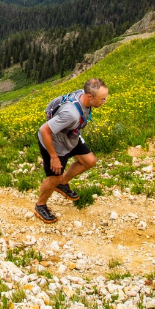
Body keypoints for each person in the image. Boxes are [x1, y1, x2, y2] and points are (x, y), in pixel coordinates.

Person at [34, 77, 109, 224]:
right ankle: (40, 205)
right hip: (54, 143)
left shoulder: (82, 94)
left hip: (71, 137)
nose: (104, 102)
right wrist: (54, 157)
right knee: (54, 177)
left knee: (89, 161)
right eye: (102, 99)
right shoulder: (71, 114)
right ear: (90, 96)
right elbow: (44, 130)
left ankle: (62, 183)